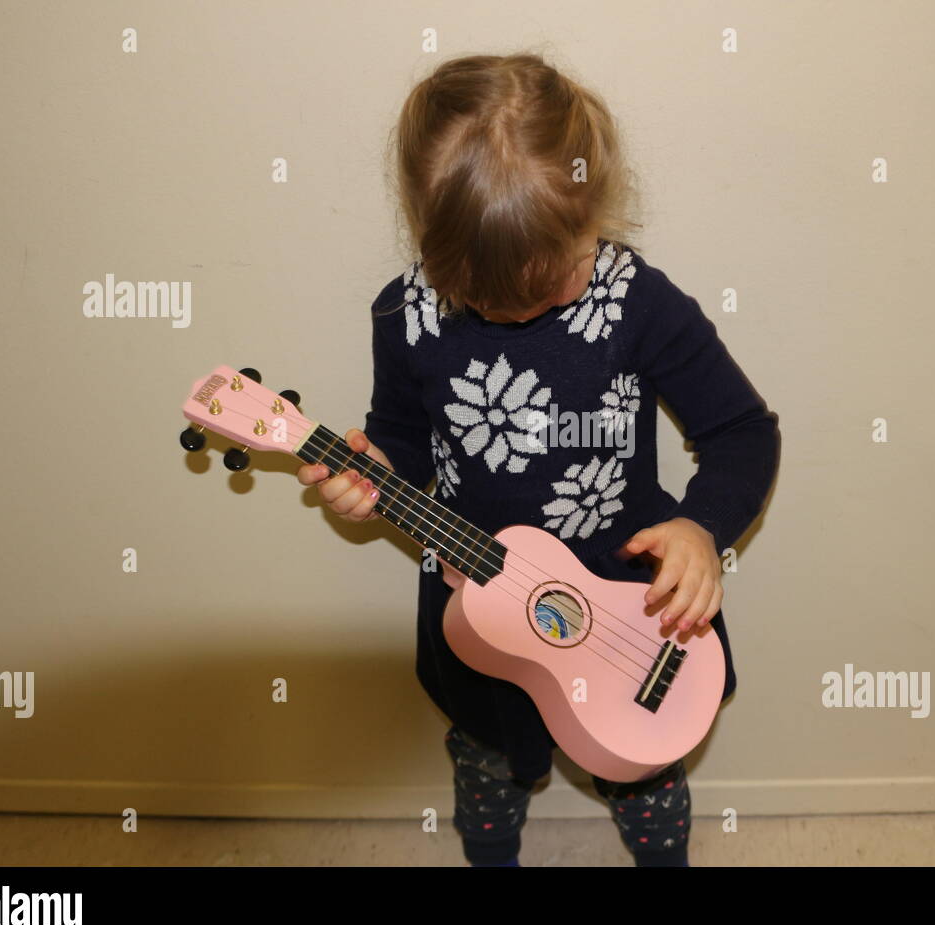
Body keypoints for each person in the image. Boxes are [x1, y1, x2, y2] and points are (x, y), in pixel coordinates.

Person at [297, 52, 780, 866]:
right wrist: (371, 473)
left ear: (590, 212)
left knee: (649, 775)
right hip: (482, 608)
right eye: (488, 296)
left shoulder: (636, 300)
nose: (526, 306)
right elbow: (404, 437)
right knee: (487, 766)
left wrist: (702, 530)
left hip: (628, 607)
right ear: (438, 252)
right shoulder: (405, 316)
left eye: (552, 279)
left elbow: (741, 430)